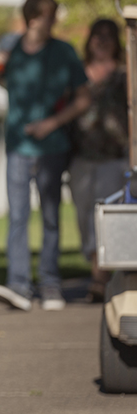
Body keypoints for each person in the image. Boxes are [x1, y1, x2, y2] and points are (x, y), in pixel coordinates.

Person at [0, 0, 89, 312]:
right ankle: (19, 285)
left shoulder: (64, 52)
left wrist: (52, 123)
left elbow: (83, 99)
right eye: (49, 16)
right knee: (17, 216)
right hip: (18, 145)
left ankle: (50, 284)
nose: (54, 21)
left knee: (50, 215)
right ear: (33, 19)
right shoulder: (11, 48)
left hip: (53, 146)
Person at [67, 18, 130, 301]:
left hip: (113, 157)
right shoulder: (76, 74)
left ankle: (99, 280)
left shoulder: (125, 74)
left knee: (103, 217)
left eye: (108, 36)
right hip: (81, 157)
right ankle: (99, 275)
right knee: (84, 218)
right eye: (97, 35)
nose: (102, 41)